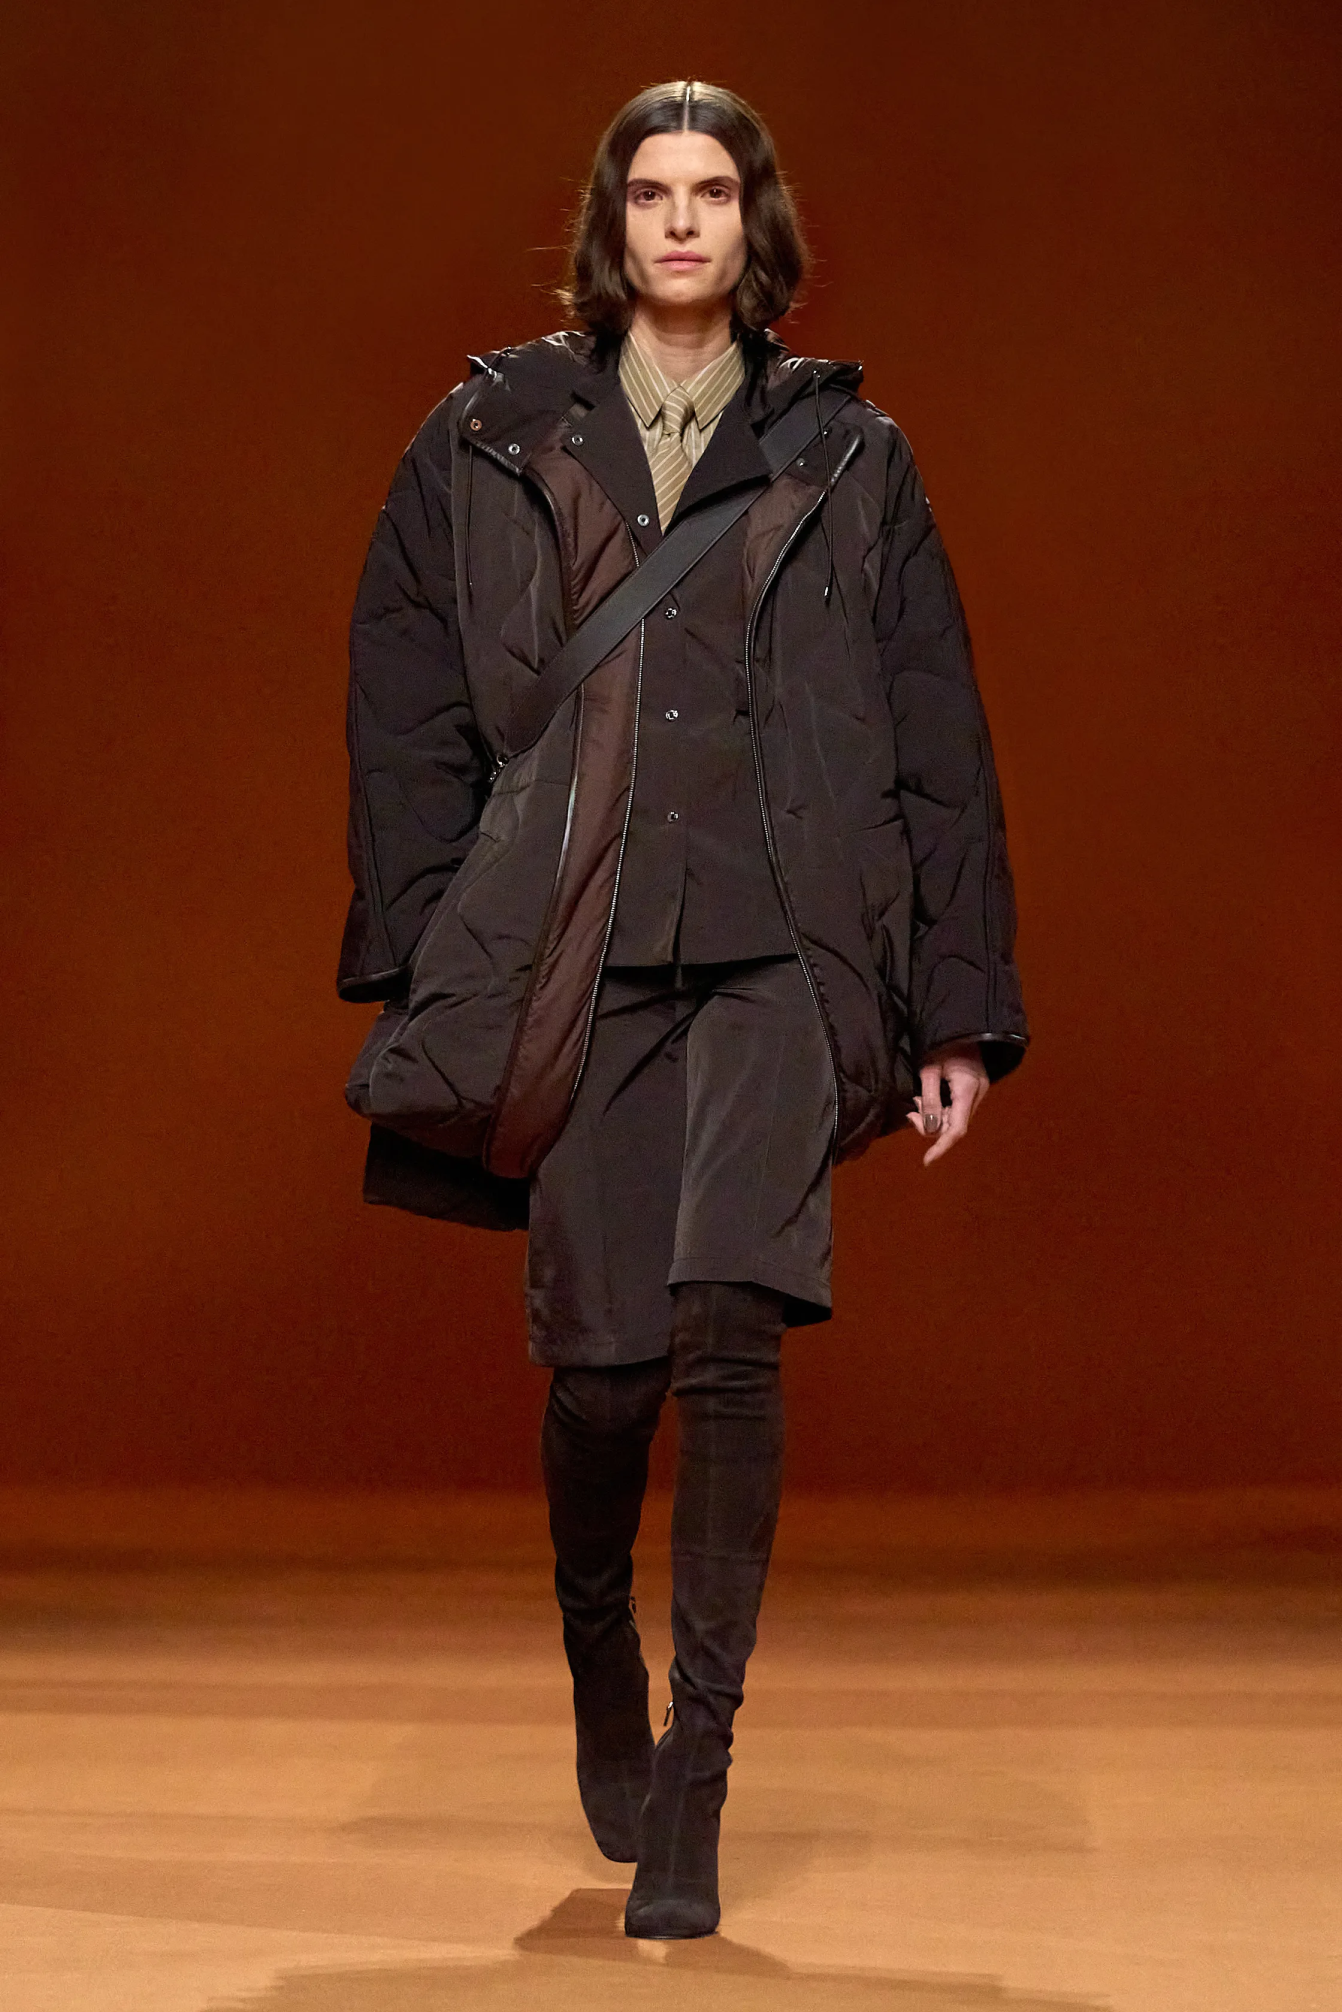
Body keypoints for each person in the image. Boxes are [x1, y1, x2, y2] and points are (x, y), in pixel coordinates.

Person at [338, 80, 1028, 1939]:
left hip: (778, 949)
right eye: (650, 191)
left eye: (711, 190)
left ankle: (697, 1779)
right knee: (606, 1367)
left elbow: (936, 733)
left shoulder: (850, 455)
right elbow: (403, 701)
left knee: (732, 1330)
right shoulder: (487, 436)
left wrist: (955, 1007)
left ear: (754, 222)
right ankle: (598, 1642)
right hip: (577, 952)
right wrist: (441, 939)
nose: (679, 220)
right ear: (610, 222)